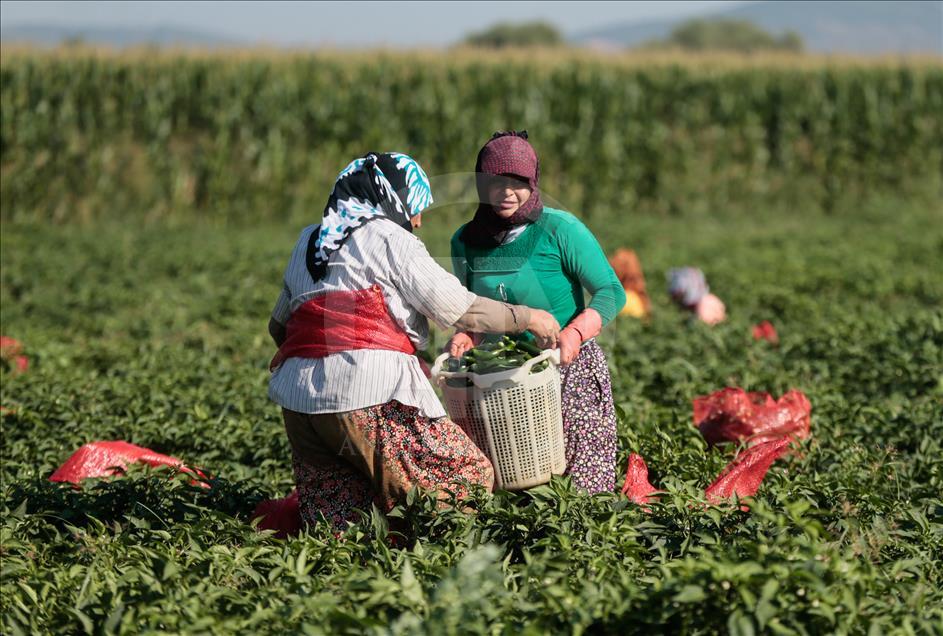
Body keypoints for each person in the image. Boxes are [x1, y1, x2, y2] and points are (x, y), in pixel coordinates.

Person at [268, 151, 560, 529]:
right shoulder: (391, 238)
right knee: (463, 478)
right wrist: (528, 317)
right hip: (368, 397)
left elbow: (279, 327)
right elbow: (460, 309)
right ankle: (444, 560)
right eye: (415, 208)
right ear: (392, 197)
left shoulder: (309, 239)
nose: (418, 221)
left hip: (298, 405)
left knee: (341, 521)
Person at [448, 132, 626, 494]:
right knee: (518, 484)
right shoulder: (465, 242)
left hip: (568, 368)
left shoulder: (560, 230)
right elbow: (473, 309)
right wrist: (467, 335)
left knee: (581, 488)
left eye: (517, 183)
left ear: (532, 182)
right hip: (504, 378)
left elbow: (611, 291)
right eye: (495, 183)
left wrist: (575, 333)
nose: (506, 192)